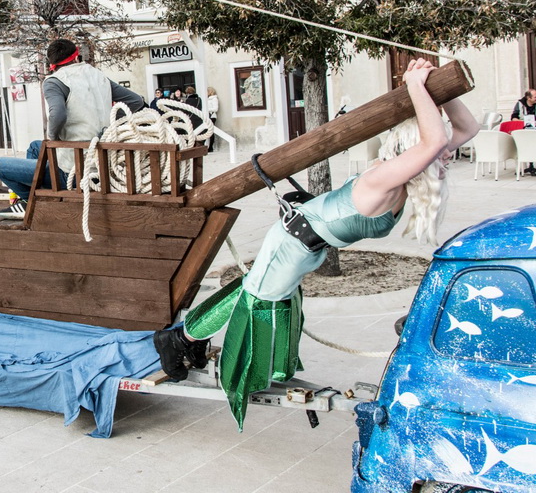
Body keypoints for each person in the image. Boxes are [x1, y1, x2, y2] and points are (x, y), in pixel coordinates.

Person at [152, 58, 478, 429]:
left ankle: (185, 335)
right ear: (412, 151)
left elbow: (467, 128)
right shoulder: (385, 179)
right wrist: (417, 85)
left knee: (255, 289)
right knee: (257, 301)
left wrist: (441, 86)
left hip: (306, 246)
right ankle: (177, 338)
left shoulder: (403, 181)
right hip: (291, 243)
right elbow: (434, 142)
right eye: (440, 153)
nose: (448, 154)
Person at [0, 39, 144, 213]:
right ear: (76, 56)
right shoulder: (99, 75)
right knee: (35, 147)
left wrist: (54, 139)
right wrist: (109, 123)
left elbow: (58, 114)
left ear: (52, 64)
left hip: (73, 173)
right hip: (103, 165)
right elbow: (136, 101)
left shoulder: (54, 81)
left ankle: (33, 202)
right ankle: (37, 197)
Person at [206, 87, 219, 153]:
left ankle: (210, 147)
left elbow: (215, 109)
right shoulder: (207, 99)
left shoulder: (214, 99)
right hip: (207, 116)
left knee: (211, 132)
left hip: (212, 116)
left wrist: (207, 110)